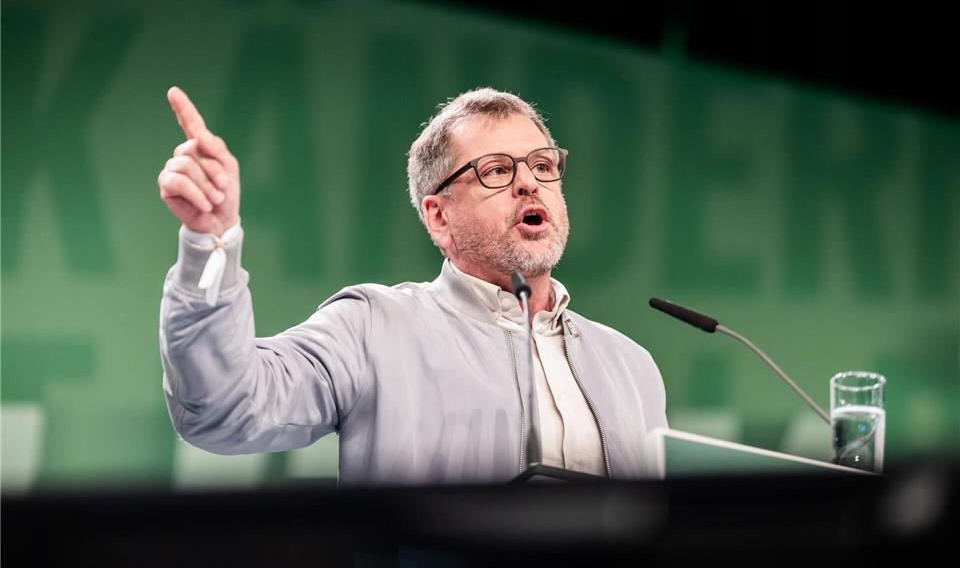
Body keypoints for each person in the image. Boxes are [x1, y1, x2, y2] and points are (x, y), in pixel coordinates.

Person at [158, 86, 667, 485]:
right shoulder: (373, 328)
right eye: (495, 170)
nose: (529, 182)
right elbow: (225, 407)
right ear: (438, 217)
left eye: (542, 165)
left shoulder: (631, 366)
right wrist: (212, 240)